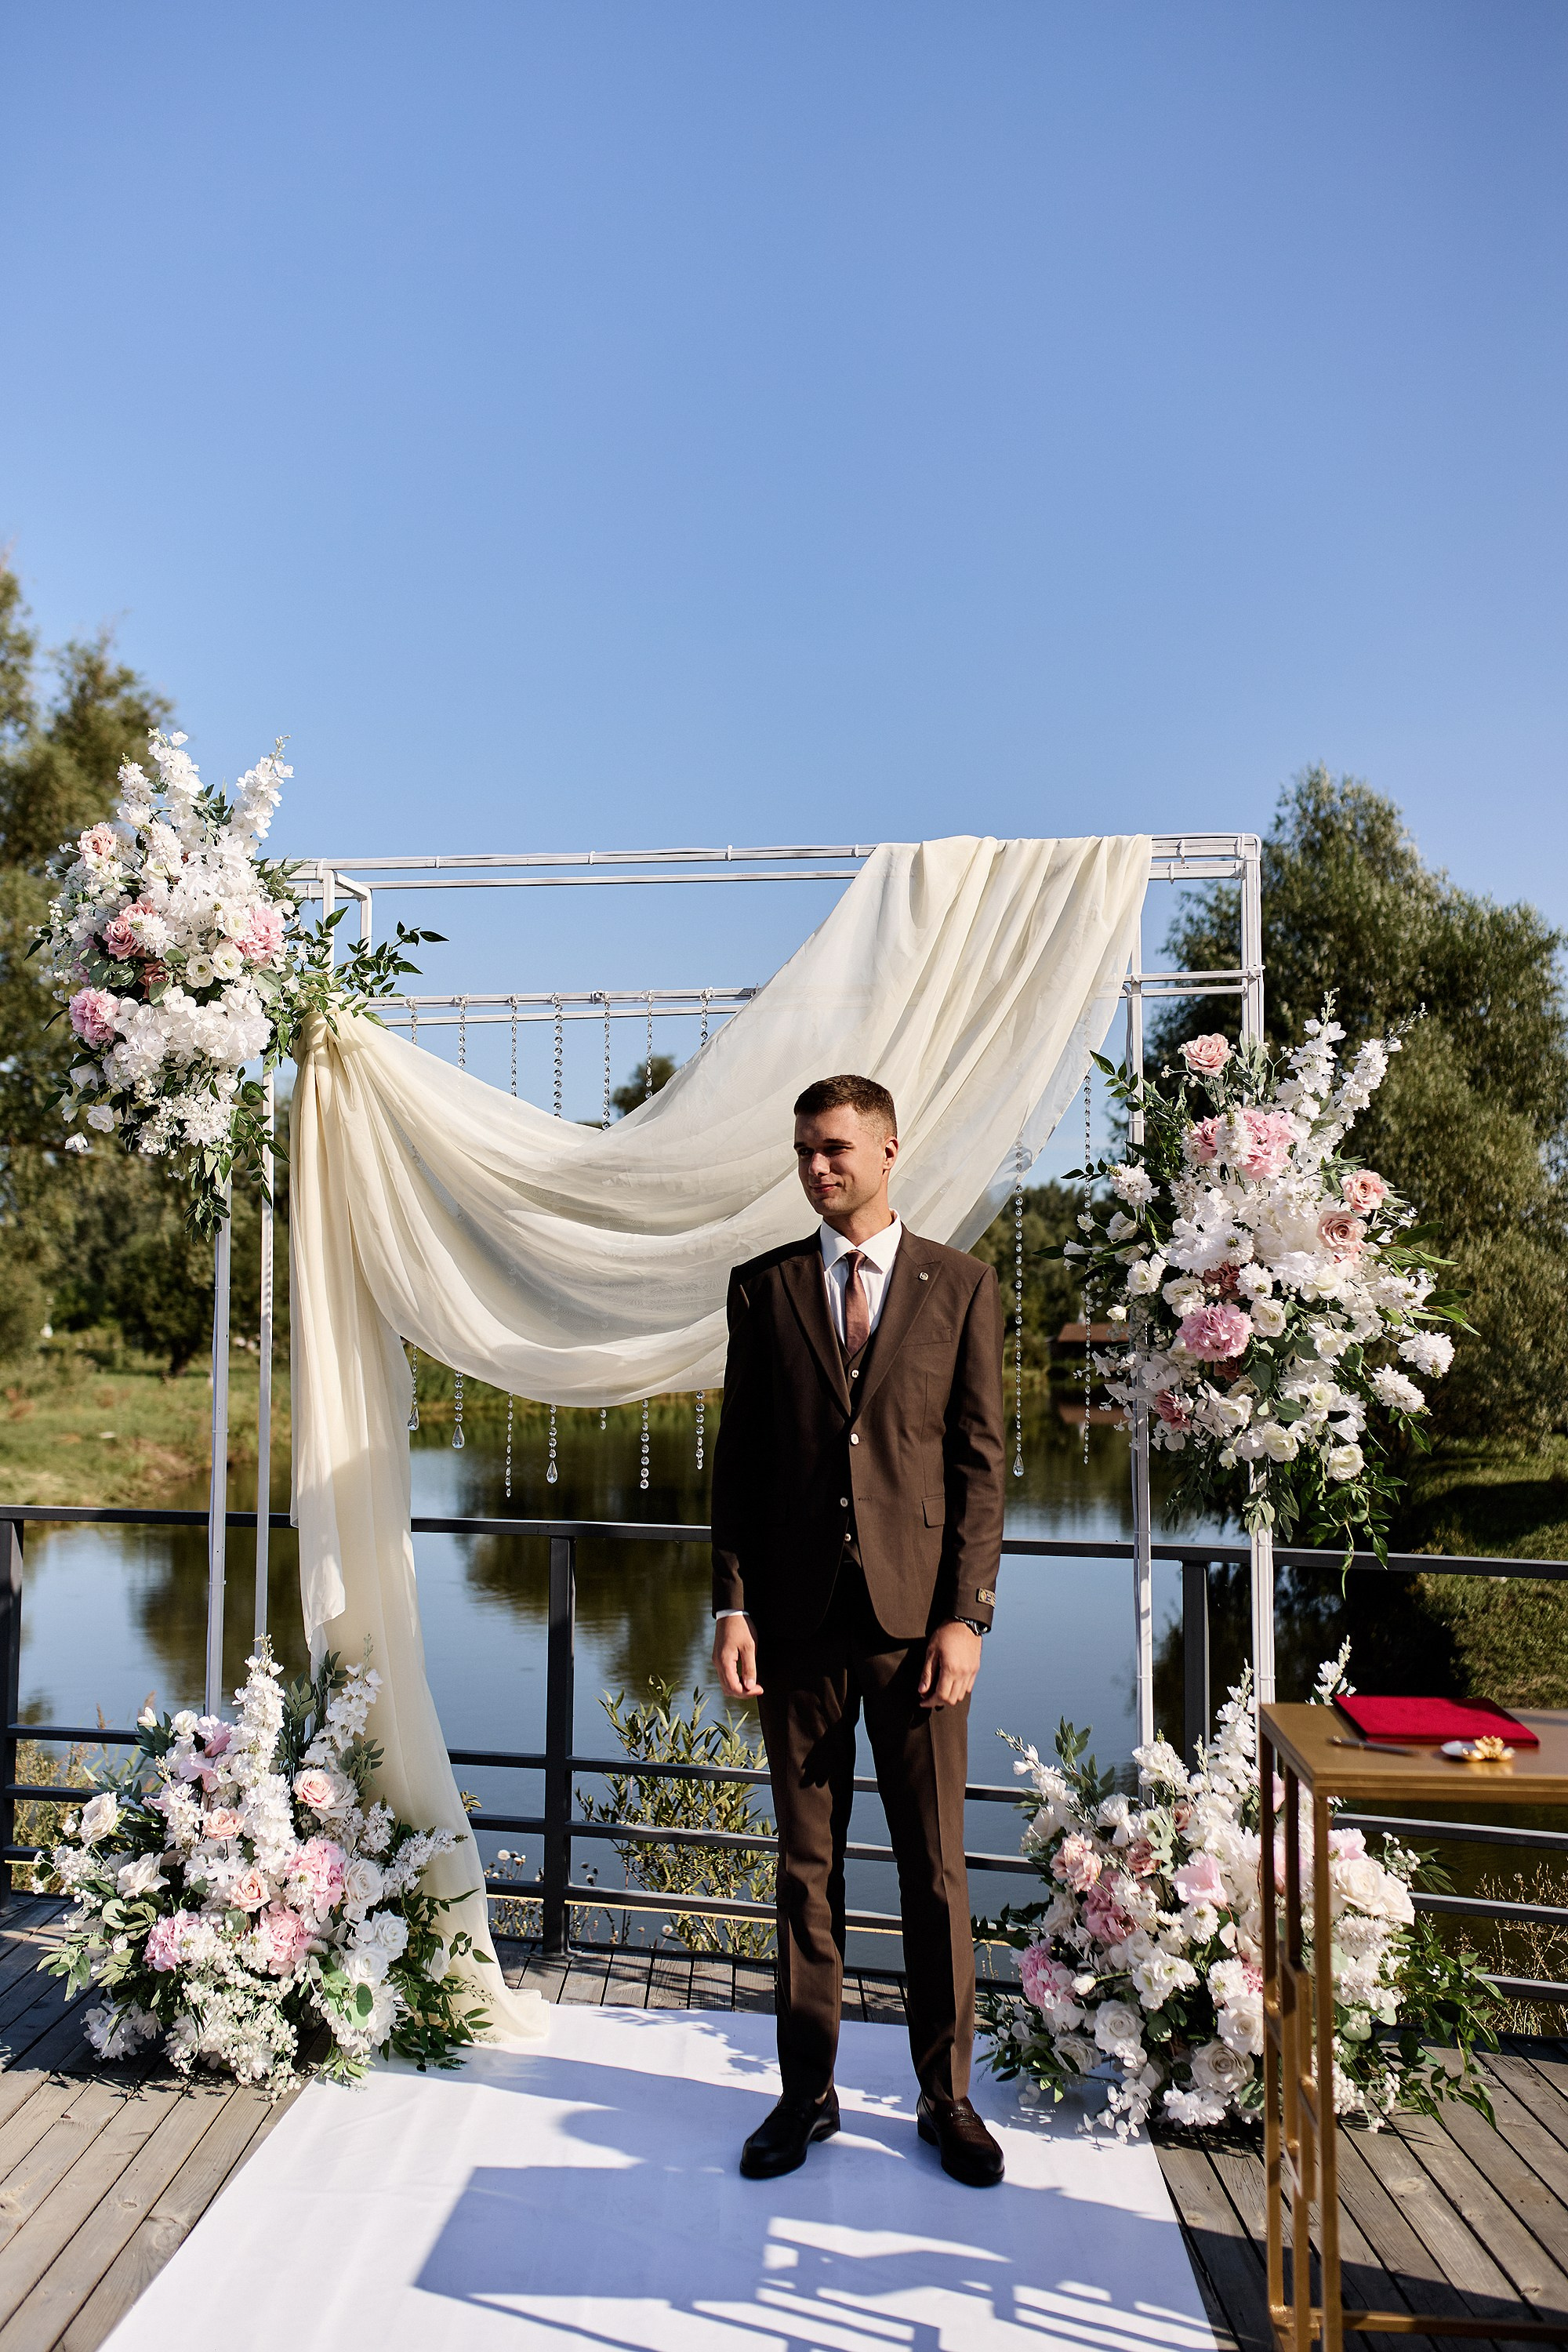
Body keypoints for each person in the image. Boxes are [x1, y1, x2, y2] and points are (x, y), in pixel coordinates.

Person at [711, 1072, 1007, 2188]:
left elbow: (980, 1470)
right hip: (790, 1627)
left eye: (834, 1148)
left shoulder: (962, 1286)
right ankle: (807, 2095)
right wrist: (732, 1601)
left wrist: (964, 1618)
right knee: (804, 1872)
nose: (816, 1167)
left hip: (916, 1632)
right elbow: (737, 1465)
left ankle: (948, 2099)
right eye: (802, 1152)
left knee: (934, 1872)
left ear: (890, 1150)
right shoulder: (764, 1288)